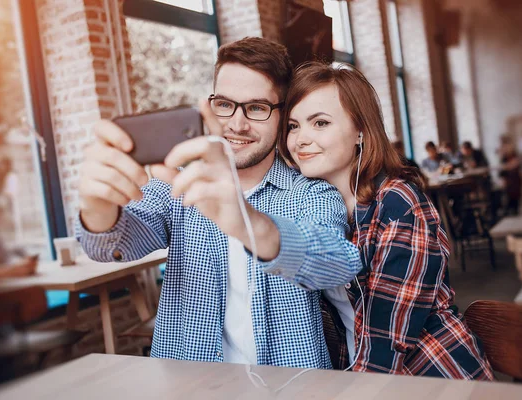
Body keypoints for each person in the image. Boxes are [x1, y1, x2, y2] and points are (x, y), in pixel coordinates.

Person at [76, 37, 361, 369]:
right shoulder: (179, 182)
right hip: (189, 386)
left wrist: (247, 222)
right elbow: (110, 245)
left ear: (282, 116)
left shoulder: (310, 192)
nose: (236, 125)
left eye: (256, 108)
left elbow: (337, 263)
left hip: (293, 386)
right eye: (225, 104)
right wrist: (97, 206)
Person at [280, 61, 493, 379]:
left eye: (320, 123)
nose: (300, 139)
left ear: (360, 131)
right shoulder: (317, 206)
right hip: (360, 370)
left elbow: (385, 337)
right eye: (293, 126)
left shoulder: (398, 203)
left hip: (431, 375)